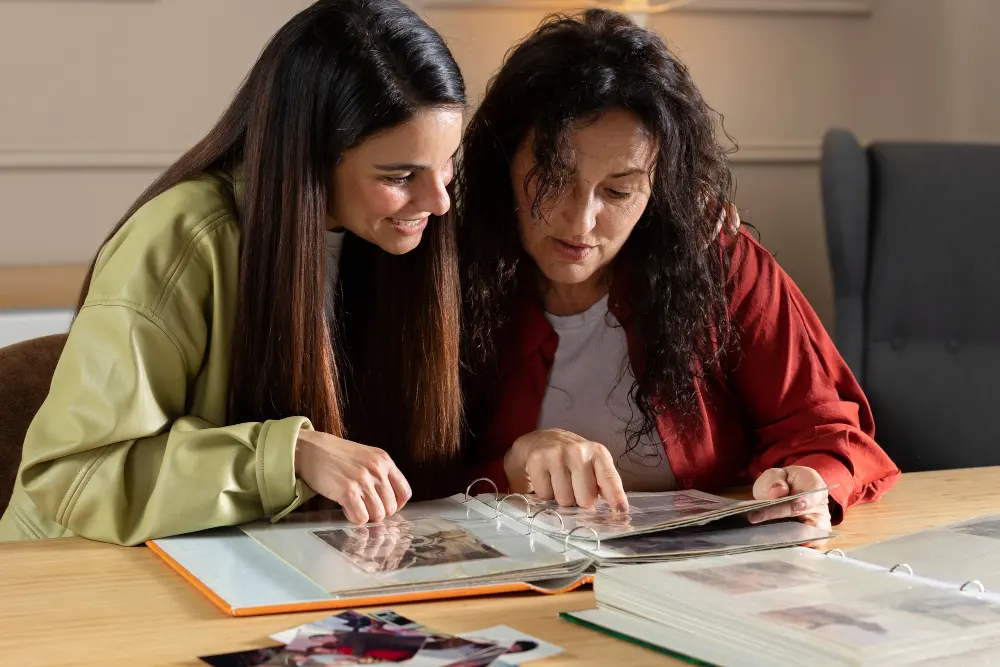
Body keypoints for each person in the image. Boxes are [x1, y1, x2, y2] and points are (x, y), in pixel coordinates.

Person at [0, 0, 466, 545]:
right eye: (401, 175)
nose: (439, 202)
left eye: (447, 163)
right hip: (74, 584)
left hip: (240, 574)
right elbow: (74, 473)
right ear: (312, 156)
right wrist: (287, 455)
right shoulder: (180, 240)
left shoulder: (396, 249)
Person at [459, 9, 900, 532]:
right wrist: (514, 465)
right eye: (553, 179)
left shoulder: (716, 263)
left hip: (697, 578)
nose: (580, 221)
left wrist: (807, 478)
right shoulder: (445, 276)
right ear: (503, 161)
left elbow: (826, 426)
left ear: (659, 188)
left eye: (620, 191)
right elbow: (397, 474)